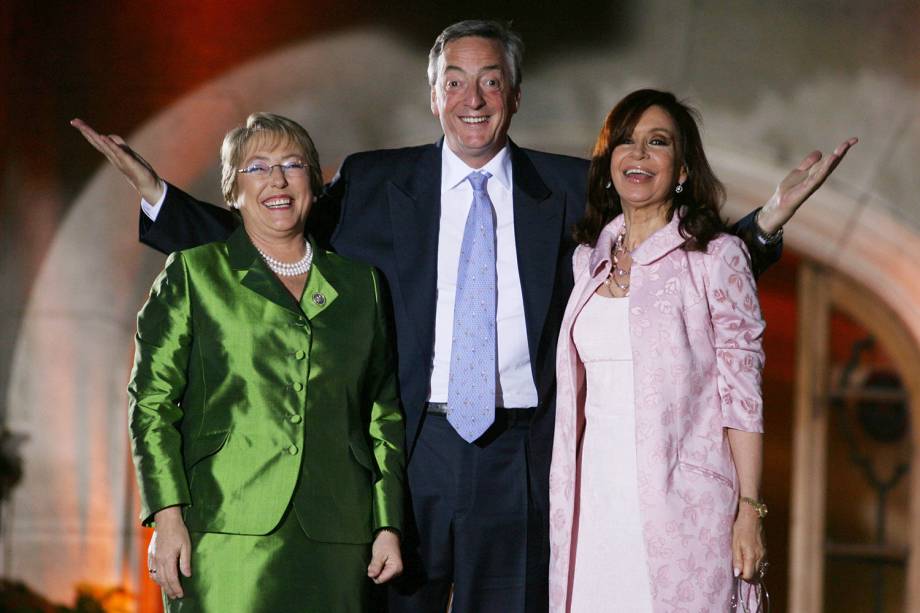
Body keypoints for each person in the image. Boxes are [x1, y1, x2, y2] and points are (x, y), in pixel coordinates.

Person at [73, 20, 855, 613]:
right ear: (434, 93)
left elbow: (673, 265)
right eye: (455, 81)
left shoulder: (567, 188)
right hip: (411, 451)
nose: (472, 99)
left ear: (514, 95)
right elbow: (274, 231)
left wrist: (762, 226)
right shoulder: (380, 183)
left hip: (523, 456)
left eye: (489, 83)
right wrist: (160, 199)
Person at [125, 112, 405, 612]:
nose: (277, 180)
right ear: (232, 190)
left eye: (293, 165)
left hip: (340, 536)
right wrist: (166, 516)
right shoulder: (194, 273)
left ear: (315, 184)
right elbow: (151, 404)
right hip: (221, 530)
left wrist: (387, 523)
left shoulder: (362, 285)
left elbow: (381, 413)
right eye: (257, 167)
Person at [549, 90, 781, 612]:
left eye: (657, 143)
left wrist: (750, 510)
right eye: (626, 142)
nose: (639, 154)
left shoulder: (716, 258)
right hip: (591, 504)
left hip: (683, 508)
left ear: (681, 169)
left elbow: (742, 394)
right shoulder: (586, 263)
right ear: (608, 163)